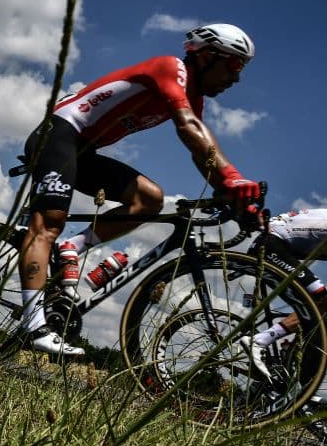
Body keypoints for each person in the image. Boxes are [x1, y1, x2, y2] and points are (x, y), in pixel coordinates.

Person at [18, 23, 262, 356]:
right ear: (205, 56)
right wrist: (233, 177)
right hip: (59, 133)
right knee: (48, 223)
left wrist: (238, 202)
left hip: (84, 151)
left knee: (150, 199)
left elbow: (201, 151)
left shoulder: (193, 96)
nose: (235, 78)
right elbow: (189, 129)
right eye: (234, 65)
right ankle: (33, 327)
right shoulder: (170, 67)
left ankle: (72, 247)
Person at [242, 209, 327, 376]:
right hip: (271, 247)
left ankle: (290, 368)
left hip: (275, 245)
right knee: (321, 299)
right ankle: (260, 341)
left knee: (320, 310)